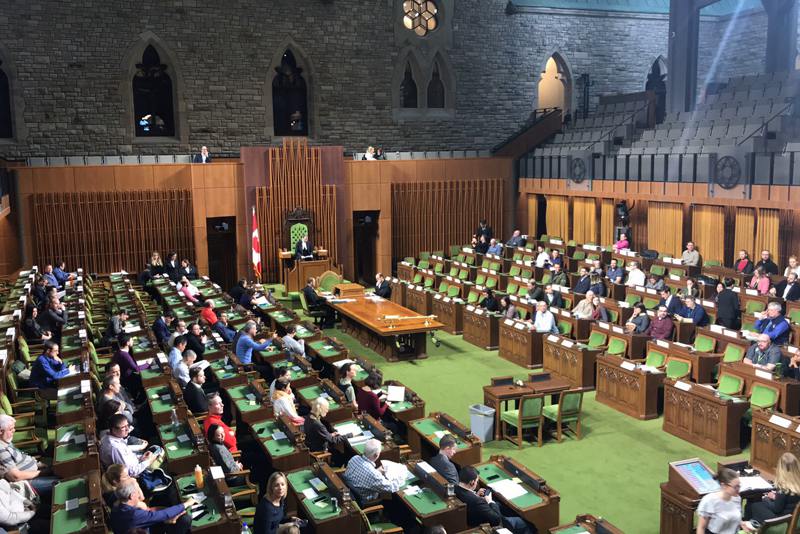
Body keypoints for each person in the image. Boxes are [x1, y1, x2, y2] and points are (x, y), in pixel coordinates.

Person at [456, 466, 533, 534]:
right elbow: (496, 520)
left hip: (472, 516)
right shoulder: (477, 501)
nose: (477, 483)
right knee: (522, 523)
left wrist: (476, 495)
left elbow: (467, 497)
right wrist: (489, 501)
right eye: (477, 481)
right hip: (486, 524)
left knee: (499, 504)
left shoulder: (454, 489)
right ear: (472, 482)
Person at [0, 414, 59, 501]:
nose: (14, 431)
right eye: (11, 429)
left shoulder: (5, 440)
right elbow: (16, 477)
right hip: (25, 484)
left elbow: (22, 457)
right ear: (0, 431)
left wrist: (39, 464)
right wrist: (42, 472)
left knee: (63, 468)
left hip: (35, 473)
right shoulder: (1, 451)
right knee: (60, 482)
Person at [99, 414, 165, 492]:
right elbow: (131, 472)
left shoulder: (107, 436)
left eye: (127, 425)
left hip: (137, 462)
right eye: (123, 427)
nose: (127, 429)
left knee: (156, 449)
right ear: (113, 429)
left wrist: (141, 458)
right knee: (160, 452)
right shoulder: (115, 448)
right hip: (136, 475)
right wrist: (148, 461)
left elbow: (126, 456)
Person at [109, 479, 194, 534]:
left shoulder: (117, 505)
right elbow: (163, 514)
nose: (139, 494)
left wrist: (164, 520)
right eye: (137, 491)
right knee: (185, 519)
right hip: (145, 530)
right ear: (131, 496)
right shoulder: (133, 515)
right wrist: (186, 504)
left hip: (141, 528)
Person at [745, 453, 800, 523]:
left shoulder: (784, 488)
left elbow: (776, 509)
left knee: (753, 505)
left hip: (781, 520)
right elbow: (788, 501)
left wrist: (766, 498)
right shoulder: (796, 484)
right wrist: (776, 497)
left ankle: (750, 526)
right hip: (792, 517)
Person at [343, 439, 402, 504]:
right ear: (376, 455)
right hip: (366, 501)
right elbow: (391, 488)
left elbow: (365, 475)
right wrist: (400, 477)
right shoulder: (373, 474)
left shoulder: (354, 458)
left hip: (351, 494)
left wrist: (376, 471)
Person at [695, 467, 753, 534]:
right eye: (735, 487)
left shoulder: (737, 498)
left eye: (739, 486)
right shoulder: (709, 500)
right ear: (724, 485)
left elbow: (732, 516)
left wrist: (741, 523)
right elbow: (701, 528)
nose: (738, 489)